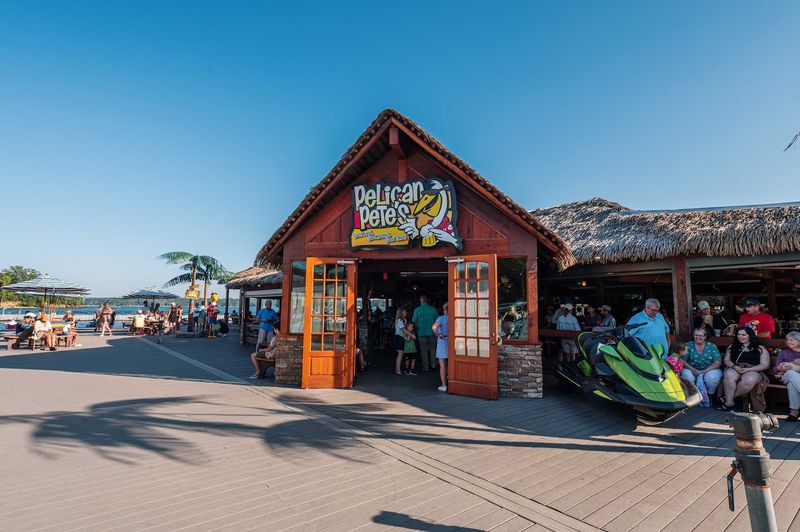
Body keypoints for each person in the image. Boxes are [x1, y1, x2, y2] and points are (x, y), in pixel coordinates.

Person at [718, 326, 771, 412]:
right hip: (736, 367)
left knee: (749, 380)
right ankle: (729, 403)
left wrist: (748, 370)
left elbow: (765, 365)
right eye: (738, 334)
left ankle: (727, 399)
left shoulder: (760, 348)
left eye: (743, 335)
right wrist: (734, 366)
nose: (740, 337)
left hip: (754, 369)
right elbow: (726, 360)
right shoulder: (733, 346)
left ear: (750, 335)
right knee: (728, 375)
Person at [681, 327, 723, 402]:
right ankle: (693, 395)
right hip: (691, 368)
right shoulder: (688, 345)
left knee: (713, 378)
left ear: (705, 336)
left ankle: (708, 395)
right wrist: (692, 369)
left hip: (708, 369)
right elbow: (683, 360)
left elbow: (717, 362)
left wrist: (705, 371)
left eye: (700, 335)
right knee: (687, 375)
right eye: (696, 335)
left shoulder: (711, 346)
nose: (698, 337)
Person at [773, 331, 800, 421]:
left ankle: (794, 412)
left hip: (794, 381)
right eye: (787, 340)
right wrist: (780, 368)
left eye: (792, 340)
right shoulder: (784, 353)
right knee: (791, 373)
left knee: (792, 385)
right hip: (785, 376)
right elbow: (775, 369)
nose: (788, 342)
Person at [412, 295, 439, 372]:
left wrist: (417, 331)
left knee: (423, 350)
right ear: (426, 300)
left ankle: (426, 367)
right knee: (432, 349)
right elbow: (437, 321)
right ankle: (433, 364)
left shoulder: (417, 310)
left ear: (421, 300)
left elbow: (414, 322)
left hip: (421, 333)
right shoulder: (433, 309)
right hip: (432, 333)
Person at [433, 303, 449, 392]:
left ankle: (444, 385)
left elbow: (434, 327)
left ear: (445, 310)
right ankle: (452, 382)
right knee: (451, 363)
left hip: (443, 340)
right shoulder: (455, 317)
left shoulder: (441, 318)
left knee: (442, 364)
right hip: (452, 341)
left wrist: (438, 334)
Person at [393, 307, 409, 376]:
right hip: (398, 338)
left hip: (401, 337)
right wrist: (410, 334)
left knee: (400, 354)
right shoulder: (399, 320)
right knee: (400, 354)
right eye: (405, 311)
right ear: (401, 312)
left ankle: (397, 368)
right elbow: (403, 330)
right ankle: (398, 370)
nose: (406, 313)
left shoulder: (404, 320)